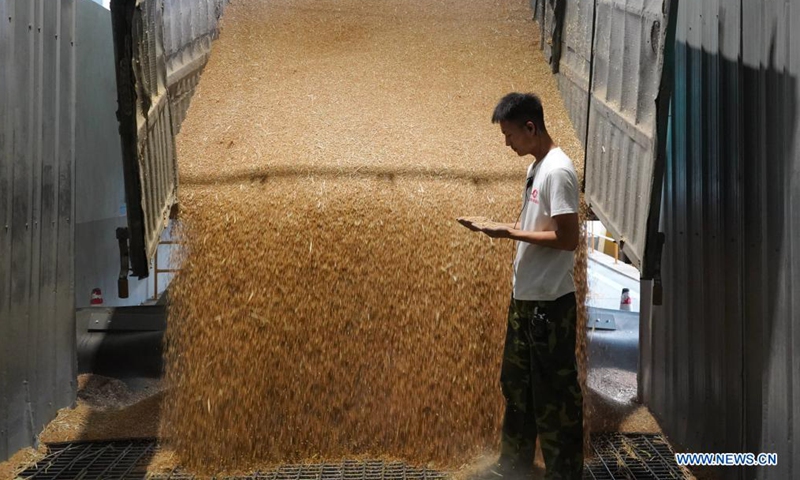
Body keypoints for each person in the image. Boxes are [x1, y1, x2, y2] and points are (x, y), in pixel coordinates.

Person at [458, 93, 583, 480]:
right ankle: (513, 466)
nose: (506, 143)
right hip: (527, 302)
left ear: (531, 128)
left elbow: (568, 239)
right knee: (517, 389)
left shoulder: (558, 171)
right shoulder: (537, 167)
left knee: (554, 397)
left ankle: (563, 475)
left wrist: (506, 231)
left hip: (549, 305)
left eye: (510, 134)